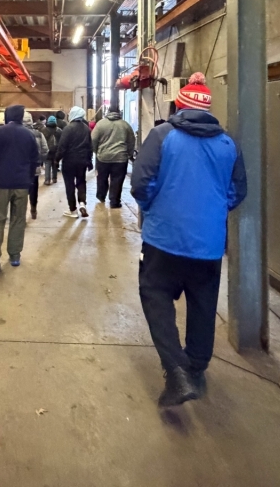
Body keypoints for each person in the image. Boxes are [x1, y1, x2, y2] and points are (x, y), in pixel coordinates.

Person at [130, 72, 247, 408]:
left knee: (155, 295)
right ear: (209, 109)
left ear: (179, 105)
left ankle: (176, 370)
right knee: (203, 303)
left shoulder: (163, 135)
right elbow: (237, 191)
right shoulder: (228, 144)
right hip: (208, 245)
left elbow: (142, 184)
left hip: (163, 240)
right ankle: (196, 366)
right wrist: (210, 214)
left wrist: (156, 209)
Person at [0, 104, 39, 271]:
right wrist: (29, 180)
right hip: (21, 184)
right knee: (18, 219)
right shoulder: (29, 135)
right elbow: (34, 161)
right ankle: (14, 255)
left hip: (1, 183)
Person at [91, 104, 136, 209]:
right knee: (117, 180)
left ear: (108, 112)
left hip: (103, 157)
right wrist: (129, 154)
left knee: (102, 178)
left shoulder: (100, 124)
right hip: (120, 158)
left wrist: (96, 151)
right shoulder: (125, 125)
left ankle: (101, 196)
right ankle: (114, 202)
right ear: (119, 112)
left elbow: (93, 139)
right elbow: (131, 141)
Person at [56, 106, 93, 219]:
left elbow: (62, 146)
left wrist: (56, 159)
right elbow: (90, 146)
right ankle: (82, 203)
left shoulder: (68, 128)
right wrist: (89, 160)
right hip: (82, 161)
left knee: (70, 184)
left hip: (69, 161)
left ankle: (73, 210)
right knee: (81, 182)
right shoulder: (86, 128)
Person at [23, 111, 48, 219]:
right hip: (35, 166)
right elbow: (45, 150)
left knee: (21, 190)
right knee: (34, 188)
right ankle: (33, 207)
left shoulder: (17, 134)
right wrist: (40, 160)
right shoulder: (38, 134)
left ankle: (21, 212)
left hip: (20, 168)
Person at [41, 115, 60, 185]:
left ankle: (47, 180)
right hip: (56, 150)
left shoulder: (44, 130)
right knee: (55, 164)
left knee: (47, 164)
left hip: (47, 150)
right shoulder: (59, 130)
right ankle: (54, 179)